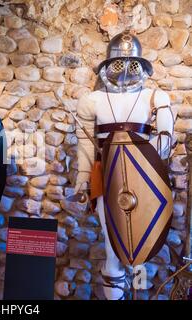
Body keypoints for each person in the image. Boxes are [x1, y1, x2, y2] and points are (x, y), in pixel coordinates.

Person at [75, 31, 174, 300]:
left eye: (131, 63)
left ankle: (138, 292)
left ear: (140, 64)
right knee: (112, 245)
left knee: (141, 250)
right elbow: (86, 144)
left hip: (145, 181)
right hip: (107, 177)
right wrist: (82, 178)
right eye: (121, 63)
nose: (126, 69)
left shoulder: (156, 97)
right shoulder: (92, 100)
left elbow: (164, 142)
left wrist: (146, 170)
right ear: (109, 65)